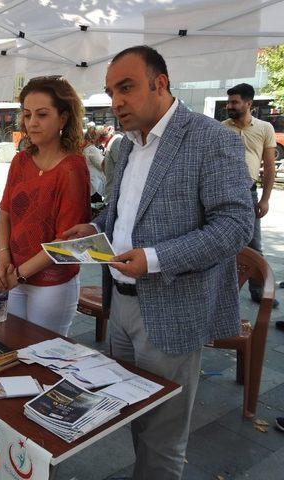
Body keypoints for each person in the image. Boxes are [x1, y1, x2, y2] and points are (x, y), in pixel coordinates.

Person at [65, 45, 253, 479]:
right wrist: (96, 229)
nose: (116, 103)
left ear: (160, 83)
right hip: (121, 305)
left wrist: (153, 259)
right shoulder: (126, 147)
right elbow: (128, 211)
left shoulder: (212, 139)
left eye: (126, 88)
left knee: (164, 436)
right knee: (133, 413)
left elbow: (234, 226)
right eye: (111, 91)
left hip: (171, 308)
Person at [0, 75, 91, 337]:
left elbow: (66, 243)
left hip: (51, 283)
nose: (32, 123)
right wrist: (3, 261)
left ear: (64, 118)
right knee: (9, 344)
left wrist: (18, 274)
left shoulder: (72, 168)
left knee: (43, 355)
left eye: (42, 114)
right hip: (13, 275)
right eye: (27, 114)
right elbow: (5, 213)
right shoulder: (20, 161)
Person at [222, 83, 279, 308]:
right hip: (224, 192)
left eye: (234, 102)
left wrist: (265, 199)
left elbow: (270, 166)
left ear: (249, 104)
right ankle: (225, 292)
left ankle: (258, 290)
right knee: (222, 242)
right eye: (228, 102)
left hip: (249, 192)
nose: (229, 106)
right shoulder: (221, 128)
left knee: (254, 244)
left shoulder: (265, 129)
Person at [81, 127, 106, 202]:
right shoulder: (92, 149)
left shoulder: (87, 149)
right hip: (95, 185)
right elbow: (101, 165)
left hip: (92, 184)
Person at [102, 129, 124, 205]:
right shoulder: (118, 140)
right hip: (114, 194)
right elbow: (121, 165)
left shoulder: (115, 139)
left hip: (112, 191)